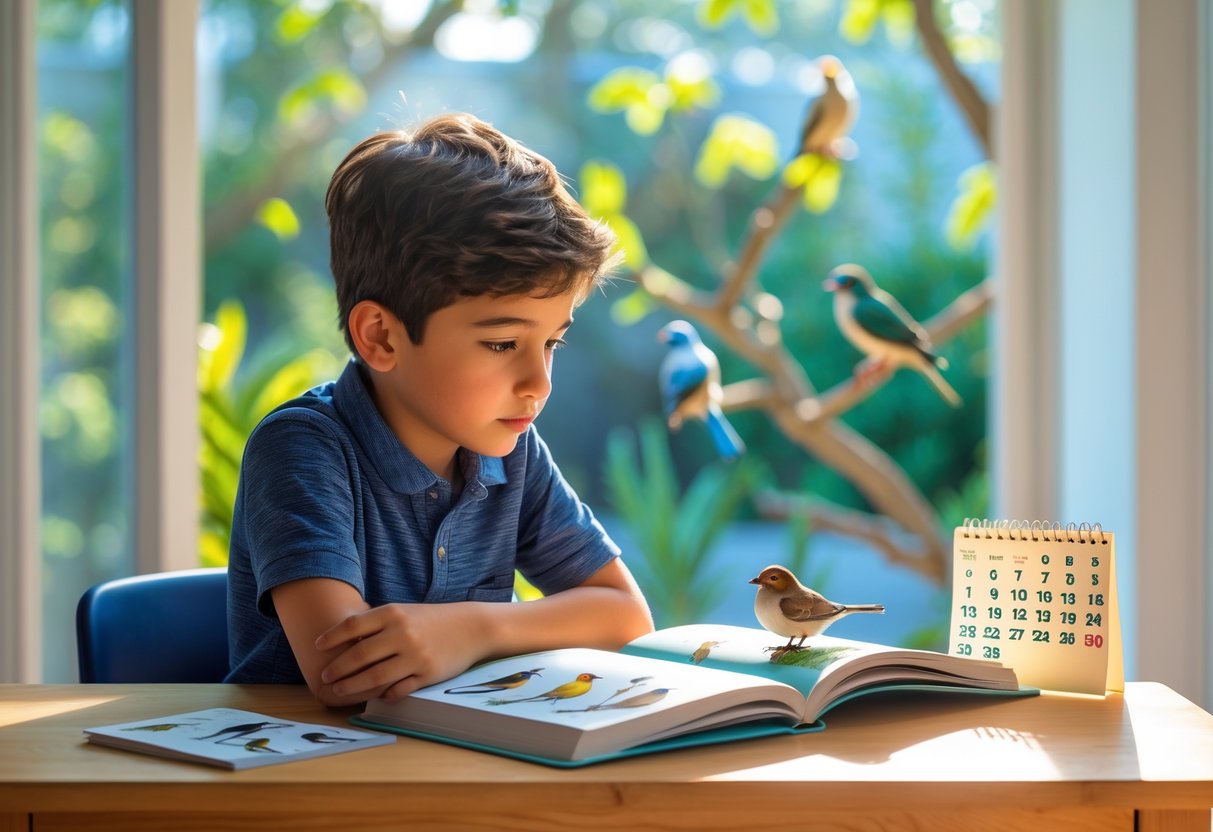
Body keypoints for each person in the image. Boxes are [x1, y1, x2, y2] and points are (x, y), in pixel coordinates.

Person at [225, 113, 654, 707]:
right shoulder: (302, 448)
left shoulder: (511, 450)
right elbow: (344, 672)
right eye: (503, 344)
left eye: (552, 343)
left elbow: (626, 615)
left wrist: (474, 628)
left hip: (460, 770)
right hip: (308, 779)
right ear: (381, 336)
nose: (539, 383)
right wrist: (511, 632)